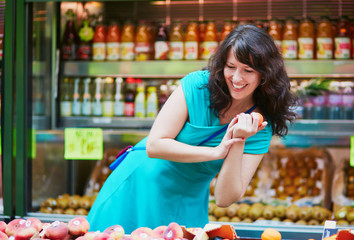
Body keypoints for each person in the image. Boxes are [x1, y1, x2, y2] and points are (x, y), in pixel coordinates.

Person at [87, 24, 297, 233]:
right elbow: (155, 145)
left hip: (188, 199)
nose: (236, 78)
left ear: (265, 74)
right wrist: (216, 152)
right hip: (141, 185)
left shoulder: (260, 126)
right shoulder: (198, 86)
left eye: (248, 70)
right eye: (231, 67)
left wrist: (238, 141)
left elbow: (224, 198)